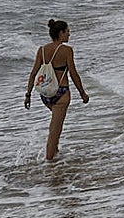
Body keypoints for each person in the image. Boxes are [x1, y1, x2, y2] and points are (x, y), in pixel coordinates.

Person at [25, 19, 89, 161]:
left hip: (45, 93)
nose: (69, 35)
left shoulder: (42, 50)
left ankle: (55, 155)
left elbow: (33, 73)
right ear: (61, 33)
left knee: (55, 126)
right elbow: (73, 74)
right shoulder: (66, 50)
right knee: (55, 131)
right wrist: (83, 93)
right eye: (67, 32)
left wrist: (28, 94)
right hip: (61, 93)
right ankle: (49, 164)